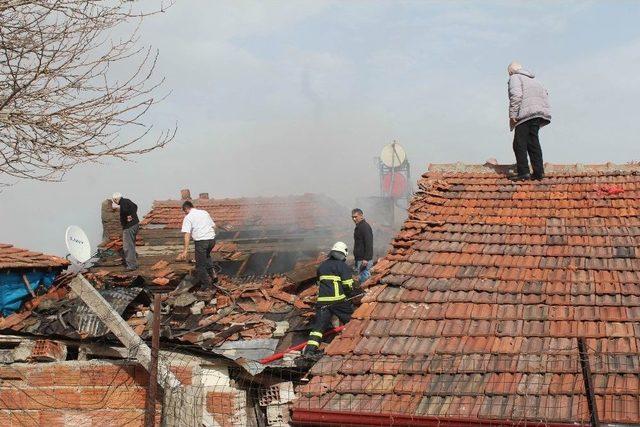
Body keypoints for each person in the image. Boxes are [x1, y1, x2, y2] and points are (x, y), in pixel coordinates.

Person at [302, 242, 360, 359]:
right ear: (343, 254)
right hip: (338, 301)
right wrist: (352, 294)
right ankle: (357, 345)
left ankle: (309, 351)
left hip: (323, 302)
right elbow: (348, 285)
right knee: (352, 322)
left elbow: (319, 282)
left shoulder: (322, 266)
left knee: (318, 328)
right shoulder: (342, 266)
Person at [507, 61, 552, 181]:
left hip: (525, 113)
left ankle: (523, 173)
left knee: (519, 143)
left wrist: (513, 114)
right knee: (533, 142)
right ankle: (539, 173)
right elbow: (545, 95)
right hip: (537, 114)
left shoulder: (515, 77)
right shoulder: (535, 80)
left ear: (511, 71)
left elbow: (516, 95)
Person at [176, 201, 217, 288]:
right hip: (212, 240)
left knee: (200, 265)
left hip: (201, 241)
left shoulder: (188, 217)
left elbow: (187, 234)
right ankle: (213, 274)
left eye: (185, 212)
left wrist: (185, 251)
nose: (185, 213)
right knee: (207, 256)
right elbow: (214, 226)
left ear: (186, 209)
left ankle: (207, 285)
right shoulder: (204, 212)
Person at [112, 192, 139, 271]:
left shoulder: (123, 204)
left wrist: (127, 219)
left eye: (114, 201)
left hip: (129, 227)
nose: (114, 202)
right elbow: (135, 206)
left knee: (127, 247)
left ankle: (131, 265)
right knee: (132, 245)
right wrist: (132, 215)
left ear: (116, 199)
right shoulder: (127, 201)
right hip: (135, 224)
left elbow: (124, 211)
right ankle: (134, 264)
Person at [352, 208, 374, 283]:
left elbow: (369, 243)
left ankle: (367, 294)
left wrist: (366, 258)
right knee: (361, 281)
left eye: (356, 217)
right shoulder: (359, 227)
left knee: (365, 282)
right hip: (359, 259)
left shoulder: (364, 227)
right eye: (353, 217)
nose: (354, 219)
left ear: (361, 216)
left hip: (364, 260)